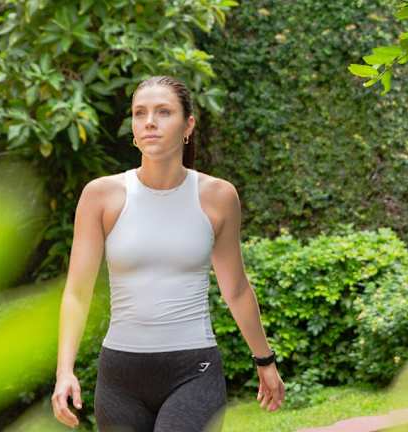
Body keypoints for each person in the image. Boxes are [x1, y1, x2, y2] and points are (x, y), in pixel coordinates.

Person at [51, 75, 286, 431]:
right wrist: (64, 371)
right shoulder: (100, 196)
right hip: (120, 379)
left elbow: (236, 289)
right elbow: (77, 292)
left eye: (163, 112)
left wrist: (264, 360)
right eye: (140, 113)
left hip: (194, 372)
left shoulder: (218, 197)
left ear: (188, 125)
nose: (150, 122)